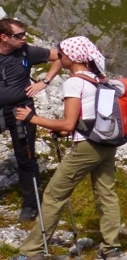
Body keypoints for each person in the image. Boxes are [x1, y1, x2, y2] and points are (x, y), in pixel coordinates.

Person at [13, 36, 122, 260]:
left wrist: (32, 118)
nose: (59, 57)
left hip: (87, 147)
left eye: (61, 54)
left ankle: (32, 251)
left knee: (54, 195)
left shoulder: (73, 82)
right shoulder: (97, 78)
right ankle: (111, 248)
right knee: (106, 194)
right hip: (106, 144)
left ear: (73, 57)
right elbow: (88, 117)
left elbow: (68, 124)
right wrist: (66, 131)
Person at [0, 18, 59, 221]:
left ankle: (30, 205)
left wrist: (45, 82)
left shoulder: (27, 52)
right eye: (19, 35)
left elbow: (61, 57)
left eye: (24, 34)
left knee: (25, 156)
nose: (24, 38)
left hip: (21, 110)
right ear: (4, 37)